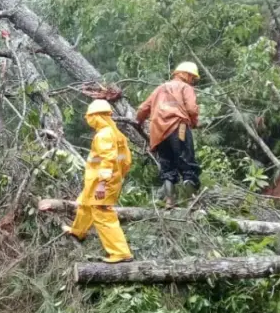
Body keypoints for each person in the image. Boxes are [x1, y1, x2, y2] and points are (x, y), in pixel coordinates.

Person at [62, 100, 134, 264]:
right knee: (85, 203)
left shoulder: (103, 135)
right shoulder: (115, 133)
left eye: (90, 117)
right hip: (102, 179)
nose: (88, 120)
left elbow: (108, 159)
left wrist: (103, 183)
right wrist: (117, 177)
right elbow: (126, 160)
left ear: (97, 116)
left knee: (102, 213)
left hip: (102, 181)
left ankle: (120, 252)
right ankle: (78, 231)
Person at [136, 62, 202, 207]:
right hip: (179, 127)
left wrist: (138, 122)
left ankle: (169, 201)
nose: (193, 81)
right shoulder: (186, 87)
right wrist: (195, 122)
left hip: (158, 131)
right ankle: (192, 201)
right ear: (188, 75)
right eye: (193, 78)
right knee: (187, 163)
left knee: (167, 166)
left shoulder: (160, 88)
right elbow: (191, 109)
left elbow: (142, 109)